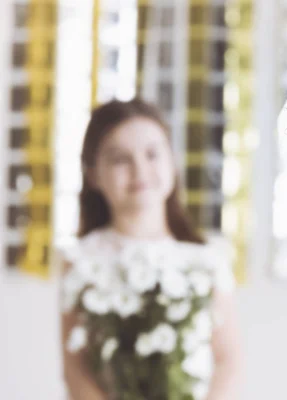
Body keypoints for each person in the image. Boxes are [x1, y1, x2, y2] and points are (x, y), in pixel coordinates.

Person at [58, 98, 242, 399]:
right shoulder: (80, 261)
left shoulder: (207, 259)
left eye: (152, 154)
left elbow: (229, 361)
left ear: (172, 162)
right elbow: (74, 369)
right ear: (93, 175)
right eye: (120, 159)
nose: (139, 169)